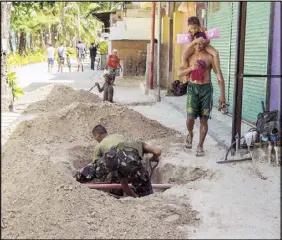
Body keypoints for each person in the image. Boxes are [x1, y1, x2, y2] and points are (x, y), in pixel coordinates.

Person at [73, 125, 161, 198]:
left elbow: (95, 163)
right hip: (131, 163)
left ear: (97, 136)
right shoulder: (135, 143)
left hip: (113, 155)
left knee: (94, 171)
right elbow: (157, 151)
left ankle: (74, 178)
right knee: (146, 191)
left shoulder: (101, 145)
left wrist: (102, 174)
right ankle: (133, 196)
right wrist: (154, 158)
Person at [178, 32, 226, 156]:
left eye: (201, 43)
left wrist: (222, 94)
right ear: (193, 43)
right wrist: (191, 69)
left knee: (204, 120)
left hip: (206, 90)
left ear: (205, 43)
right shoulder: (189, 56)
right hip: (193, 88)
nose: (199, 46)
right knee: (190, 118)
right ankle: (190, 133)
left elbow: (219, 75)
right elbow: (180, 73)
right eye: (196, 43)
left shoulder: (210, 57)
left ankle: (200, 145)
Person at [182, 16, 224, 83]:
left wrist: (204, 41)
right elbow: (189, 45)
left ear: (199, 25)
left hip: (204, 45)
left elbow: (208, 41)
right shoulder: (189, 32)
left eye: (195, 28)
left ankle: (218, 73)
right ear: (188, 27)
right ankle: (186, 76)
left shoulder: (203, 29)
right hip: (194, 46)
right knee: (184, 56)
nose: (193, 30)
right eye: (191, 28)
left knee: (216, 53)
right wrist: (195, 41)